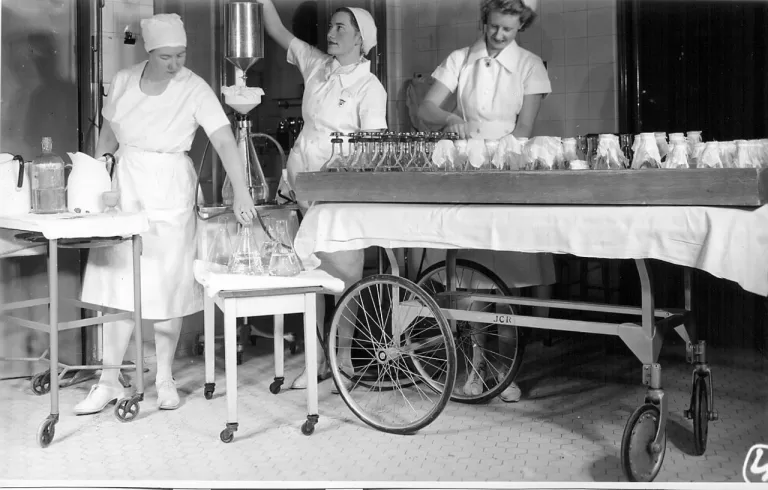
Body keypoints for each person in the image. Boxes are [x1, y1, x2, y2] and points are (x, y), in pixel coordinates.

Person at [75, 13, 257, 414]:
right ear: (148, 50)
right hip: (125, 185)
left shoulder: (194, 88)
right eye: (166, 57)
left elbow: (225, 140)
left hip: (170, 184)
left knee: (167, 286)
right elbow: (108, 133)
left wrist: (242, 191)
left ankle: (164, 378)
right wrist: (97, 172)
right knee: (116, 286)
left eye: (181, 54)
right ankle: (107, 381)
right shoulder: (124, 81)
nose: (175, 64)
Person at [417, 0, 554, 403]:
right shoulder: (460, 59)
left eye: (508, 30)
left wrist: (500, 161)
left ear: (520, 27)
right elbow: (427, 108)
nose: (498, 36)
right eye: (494, 27)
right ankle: (477, 366)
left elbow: (525, 128)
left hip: (506, 172)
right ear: (484, 20)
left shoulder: (530, 65)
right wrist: (451, 120)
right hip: (465, 175)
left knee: (504, 283)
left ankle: (505, 372)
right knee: (471, 282)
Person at [257, 0, 388, 390]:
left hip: (341, 192)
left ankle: (342, 358)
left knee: (345, 276)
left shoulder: (369, 87)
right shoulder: (318, 65)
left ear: (360, 40)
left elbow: (374, 146)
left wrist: (342, 177)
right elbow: (278, 31)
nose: (330, 34)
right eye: (331, 27)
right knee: (310, 271)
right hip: (303, 187)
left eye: (340, 29)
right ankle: (317, 360)